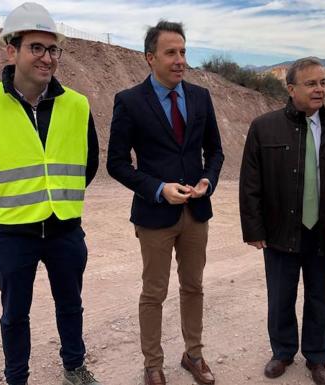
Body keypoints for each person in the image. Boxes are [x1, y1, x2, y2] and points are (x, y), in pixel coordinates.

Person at [0, 3, 100, 385]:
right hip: (12, 232)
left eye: (53, 49)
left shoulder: (78, 104)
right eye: (36, 47)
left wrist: (58, 197)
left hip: (65, 229)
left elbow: (89, 164)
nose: (47, 57)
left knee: (71, 306)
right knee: (14, 313)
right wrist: (11, 199)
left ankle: (74, 366)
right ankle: (16, 378)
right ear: (11, 50)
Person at [106, 20, 224, 385]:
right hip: (155, 214)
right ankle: (152, 364)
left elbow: (215, 151)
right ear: (150, 58)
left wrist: (208, 180)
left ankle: (194, 355)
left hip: (196, 212)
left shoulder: (201, 97)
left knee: (194, 286)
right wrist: (158, 189)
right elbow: (117, 163)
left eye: (183, 52)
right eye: (171, 53)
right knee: (153, 292)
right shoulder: (129, 101)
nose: (179, 60)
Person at [239, 57, 325, 385]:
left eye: (322, 83)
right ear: (291, 89)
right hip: (279, 230)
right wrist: (254, 228)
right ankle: (283, 351)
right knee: (281, 296)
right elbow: (250, 182)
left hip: (323, 231)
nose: (319, 89)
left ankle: (318, 357)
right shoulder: (264, 127)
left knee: (320, 296)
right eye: (311, 84)